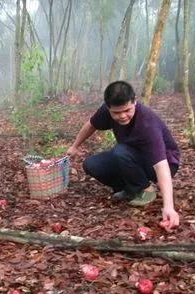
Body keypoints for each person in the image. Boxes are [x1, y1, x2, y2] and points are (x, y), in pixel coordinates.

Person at [67, 81, 180, 228]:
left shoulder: (147, 123)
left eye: (127, 110)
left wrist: (169, 207)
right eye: (116, 112)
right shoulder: (106, 111)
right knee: (91, 164)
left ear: (135, 101)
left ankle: (146, 189)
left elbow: (161, 164)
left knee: (120, 151)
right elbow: (91, 125)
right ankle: (130, 188)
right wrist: (74, 146)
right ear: (108, 108)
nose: (122, 116)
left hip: (163, 163)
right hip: (130, 156)